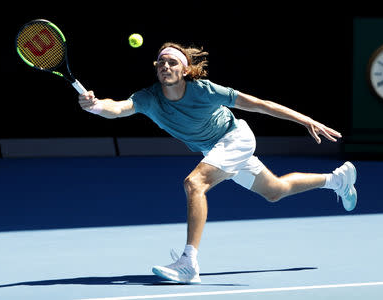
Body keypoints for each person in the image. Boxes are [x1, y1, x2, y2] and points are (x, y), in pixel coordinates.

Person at [78, 42, 357, 284]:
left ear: (185, 70)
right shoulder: (149, 98)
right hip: (215, 150)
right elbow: (117, 108)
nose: (165, 66)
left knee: (194, 183)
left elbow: (259, 104)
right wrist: (96, 105)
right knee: (275, 191)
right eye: (160, 62)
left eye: (172, 62)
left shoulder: (204, 91)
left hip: (235, 138)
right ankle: (337, 180)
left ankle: (189, 263)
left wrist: (305, 119)